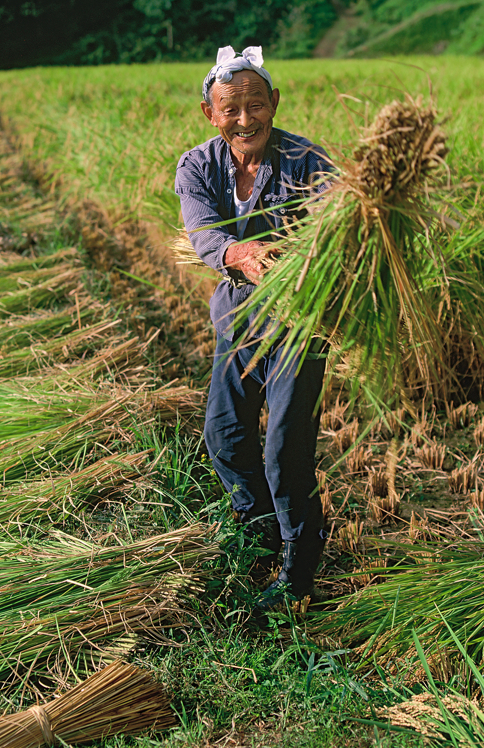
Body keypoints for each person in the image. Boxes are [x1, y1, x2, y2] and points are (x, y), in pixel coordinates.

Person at [176, 45, 332, 609]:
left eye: (257, 105)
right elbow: (202, 236)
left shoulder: (308, 161)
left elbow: (336, 220)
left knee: (285, 451)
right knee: (225, 436)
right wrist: (239, 253)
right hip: (238, 316)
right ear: (210, 114)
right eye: (232, 109)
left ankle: (298, 570)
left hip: (298, 318)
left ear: (275, 104)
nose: (246, 119)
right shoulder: (197, 166)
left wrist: (311, 252)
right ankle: (258, 531)